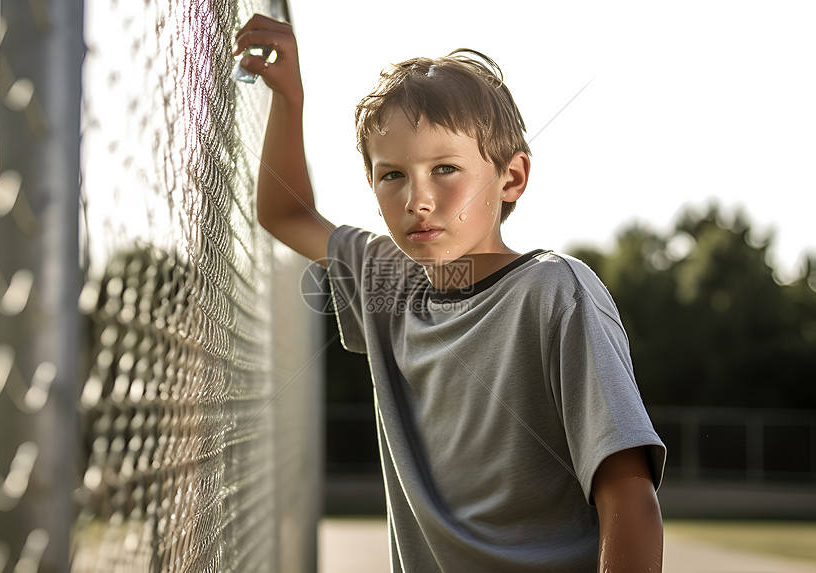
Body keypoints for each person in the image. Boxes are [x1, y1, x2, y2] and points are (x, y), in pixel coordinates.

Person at [236, 14, 665, 572]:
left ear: (510, 178)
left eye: (445, 168)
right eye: (392, 175)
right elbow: (284, 211)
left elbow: (628, 492)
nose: (418, 198)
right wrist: (289, 97)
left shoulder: (556, 291)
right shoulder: (387, 283)